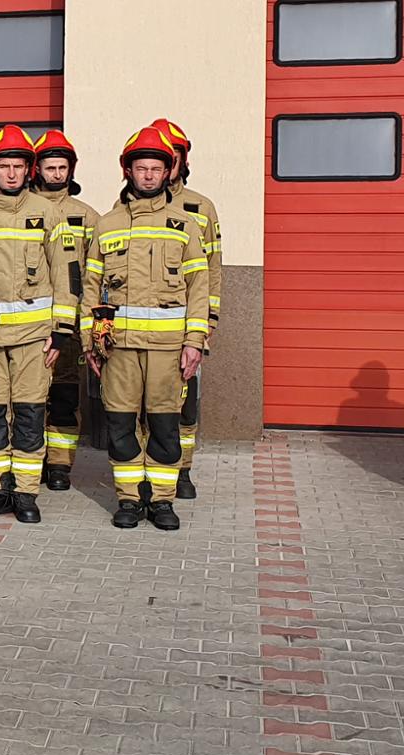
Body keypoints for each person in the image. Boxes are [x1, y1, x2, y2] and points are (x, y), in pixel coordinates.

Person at [83, 127, 210, 531]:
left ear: (167, 171)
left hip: (168, 350)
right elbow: (91, 289)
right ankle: (129, 499)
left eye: (157, 168)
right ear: (129, 172)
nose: (150, 176)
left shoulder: (185, 225)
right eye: (142, 168)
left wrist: (195, 342)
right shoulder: (107, 225)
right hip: (118, 349)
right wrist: (92, 341)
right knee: (120, 424)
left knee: (164, 426)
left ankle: (162, 501)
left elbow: (199, 289)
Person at [0, 125, 79, 524]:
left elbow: (67, 274)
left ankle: (25, 493)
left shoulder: (49, 213)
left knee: (28, 414)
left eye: (18, 166)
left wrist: (61, 329)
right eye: (4, 166)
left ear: (30, 170)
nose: (11, 173)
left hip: (34, 340)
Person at [148, 119, 224, 501]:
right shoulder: (127, 206)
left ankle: (183, 470)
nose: (168, 166)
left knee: (185, 405)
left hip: (185, 326)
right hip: (143, 331)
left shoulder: (201, 208)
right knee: (149, 405)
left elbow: (211, 270)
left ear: (180, 160)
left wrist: (206, 322)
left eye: (174, 158)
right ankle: (149, 470)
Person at [29, 130, 99, 491]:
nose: (56, 174)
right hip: (30, 320)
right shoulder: (23, 209)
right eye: (49, 167)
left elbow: (94, 272)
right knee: (28, 397)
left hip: (69, 322)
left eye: (62, 167)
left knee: (64, 394)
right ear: (36, 168)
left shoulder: (86, 216)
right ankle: (31, 458)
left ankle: (59, 464)